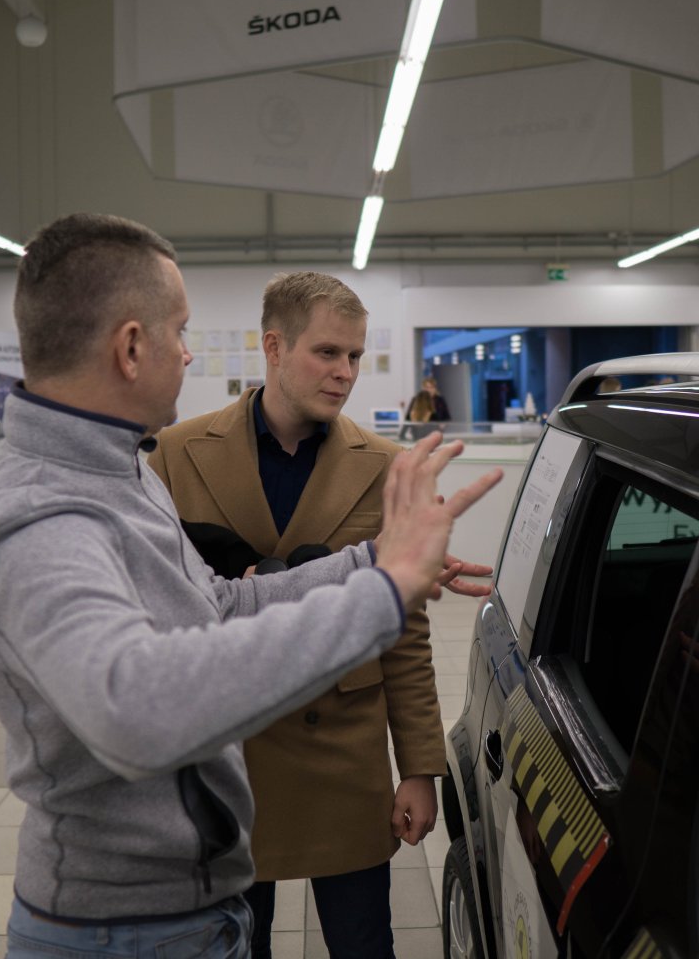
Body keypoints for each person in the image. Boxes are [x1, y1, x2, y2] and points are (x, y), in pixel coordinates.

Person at [0, 214, 502, 959]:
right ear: (132, 347)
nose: (188, 350)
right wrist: (379, 590)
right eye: (180, 331)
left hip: (185, 905)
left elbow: (220, 602)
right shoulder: (39, 516)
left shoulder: (120, 477)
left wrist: (376, 565)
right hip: (124, 928)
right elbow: (134, 709)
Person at [150, 272, 488, 958]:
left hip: (343, 748)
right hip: (230, 748)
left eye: (356, 357)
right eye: (327, 353)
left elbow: (405, 632)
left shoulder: (387, 466)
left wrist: (418, 767)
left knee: (364, 942)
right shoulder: (176, 455)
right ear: (273, 346)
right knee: (241, 941)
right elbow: (156, 610)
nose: (345, 373)